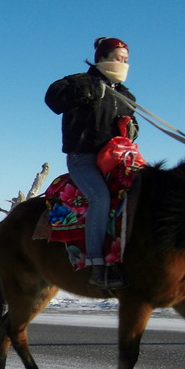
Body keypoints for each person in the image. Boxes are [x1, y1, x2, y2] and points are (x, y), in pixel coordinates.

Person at [45, 37, 138, 290]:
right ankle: (97, 265)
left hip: (116, 160)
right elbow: (53, 99)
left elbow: (134, 127)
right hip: (83, 158)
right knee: (100, 198)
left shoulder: (125, 95)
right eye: (119, 58)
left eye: (127, 60)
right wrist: (86, 91)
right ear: (102, 58)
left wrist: (131, 129)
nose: (124, 64)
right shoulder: (80, 81)